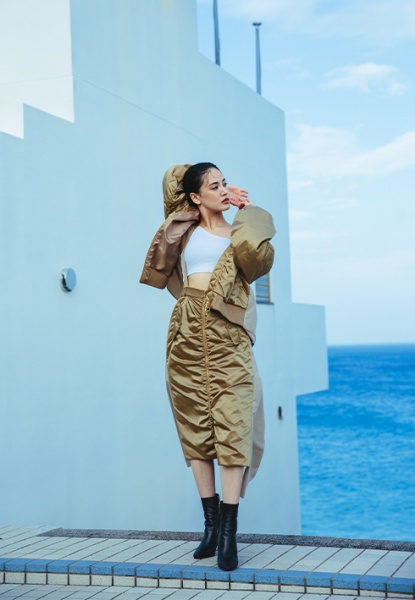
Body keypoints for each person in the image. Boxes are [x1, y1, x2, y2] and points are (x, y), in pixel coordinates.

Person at [140, 163, 275, 571]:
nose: (223, 190)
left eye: (225, 183)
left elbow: (259, 263)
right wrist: (209, 183)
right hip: (185, 334)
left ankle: (230, 534)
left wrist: (244, 207)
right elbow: (174, 179)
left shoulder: (240, 231)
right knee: (195, 430)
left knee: (233, 429)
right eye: (214, 186)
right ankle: (211, 527)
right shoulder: (182, 225)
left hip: (227, 336)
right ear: (195, 196)